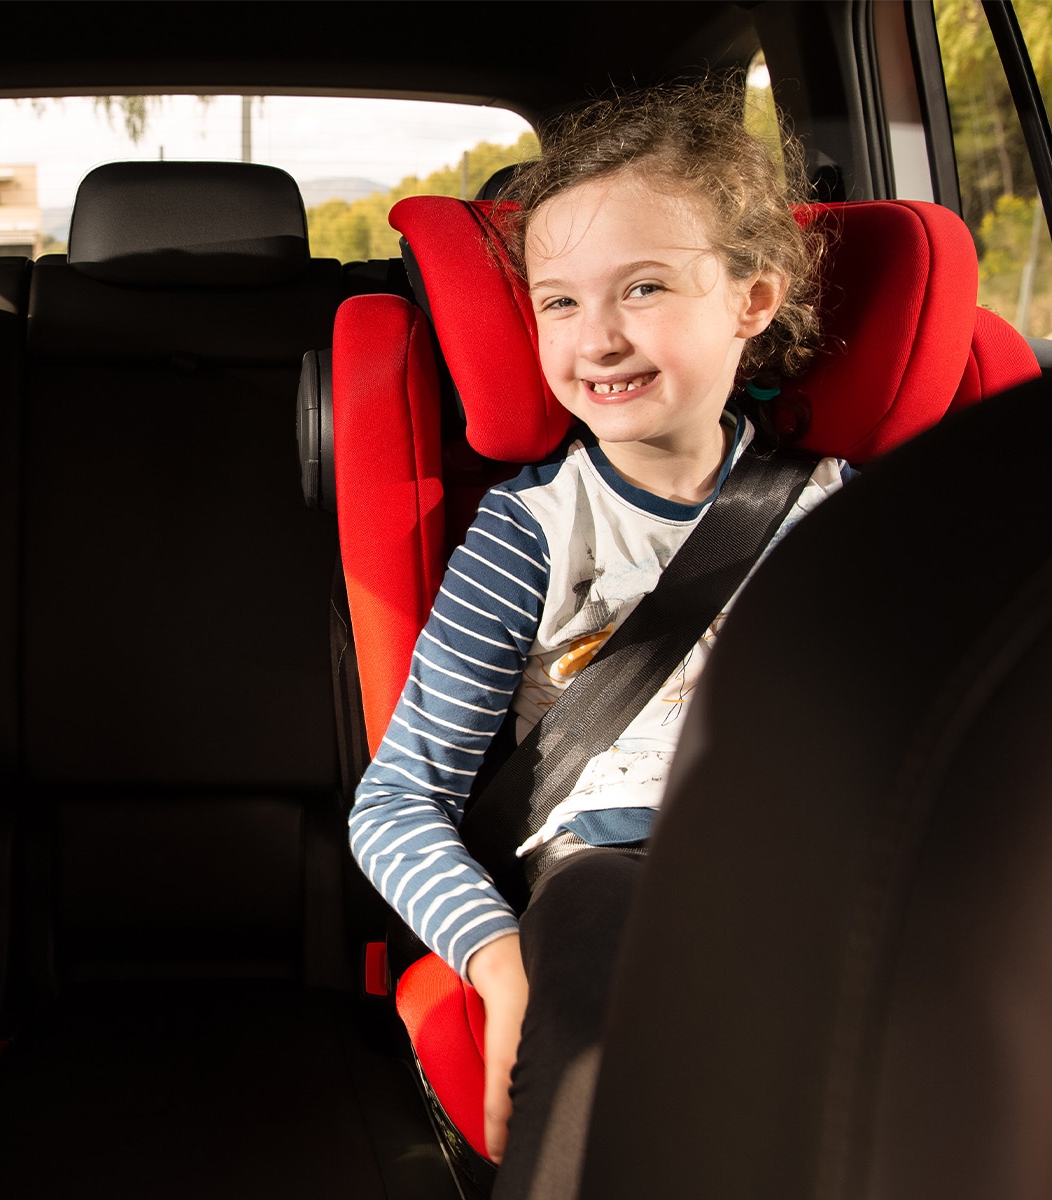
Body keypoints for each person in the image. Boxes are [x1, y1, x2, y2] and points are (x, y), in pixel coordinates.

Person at [348, 83, 852, 1197]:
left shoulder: (840, 514)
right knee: (612, 1013)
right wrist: (500, 959)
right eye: (559, 304)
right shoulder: (530, 533)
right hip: (607, 868)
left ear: (750, 297)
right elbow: (393, 804)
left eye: (645, 288)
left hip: (807, 861)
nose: (598, 337)